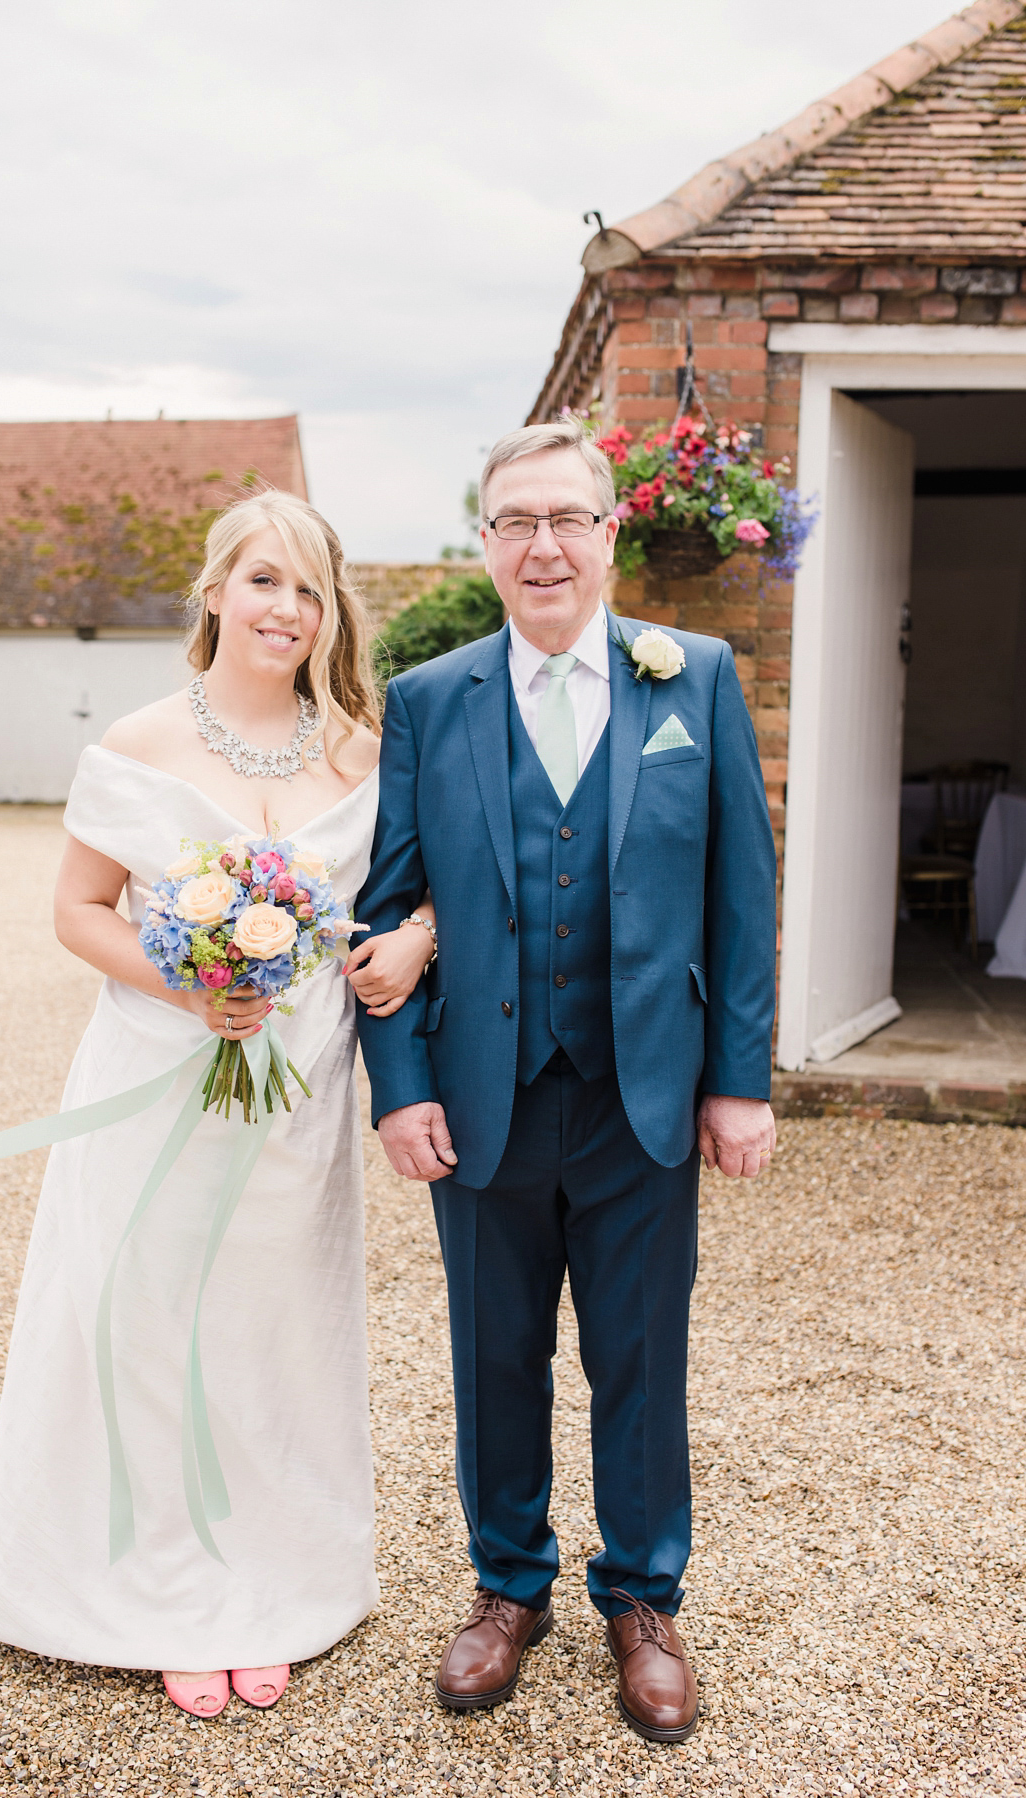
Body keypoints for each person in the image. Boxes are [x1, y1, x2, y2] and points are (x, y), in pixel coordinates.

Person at [0, 490, 436, 1717]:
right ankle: (165, 1594)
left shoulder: (365, 750)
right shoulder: (135, 741)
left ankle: (273, 1581)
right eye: (266, 581)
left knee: (273, 1330)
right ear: (217, 591)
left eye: (311, 590)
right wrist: (188, 984)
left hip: (298, 1099)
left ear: (332, 615)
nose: (287, 609)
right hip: (158, 1076)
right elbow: (78, 912)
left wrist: (420, 936)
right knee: (148, 1321)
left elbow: (412, 898)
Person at [356, 418, 778, 1742]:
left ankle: (644, 1599)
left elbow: (740, 899)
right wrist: (399, 1082)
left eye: (567, 519)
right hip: (482, 1088)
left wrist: (740, 1078)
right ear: (484, 544)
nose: (543, 545)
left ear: (608, 533)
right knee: (496, 1352)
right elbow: (390, 902)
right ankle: (508, 1586)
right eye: (515, 522)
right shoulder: (430, 699)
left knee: (642, 1356)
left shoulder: (693, 678)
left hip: (642, 1088)